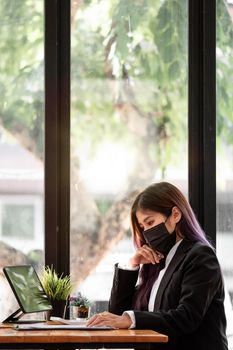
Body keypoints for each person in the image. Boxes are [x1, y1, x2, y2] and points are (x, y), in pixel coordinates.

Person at [87, 182, 228, 350]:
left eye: (150, 222)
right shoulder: (157, 263)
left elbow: (186, 317)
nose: (146, 233)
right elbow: (118, 314)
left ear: (175, 214)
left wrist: (132, 319)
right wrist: (132, 265)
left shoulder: (200, 256)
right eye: (142, 227)